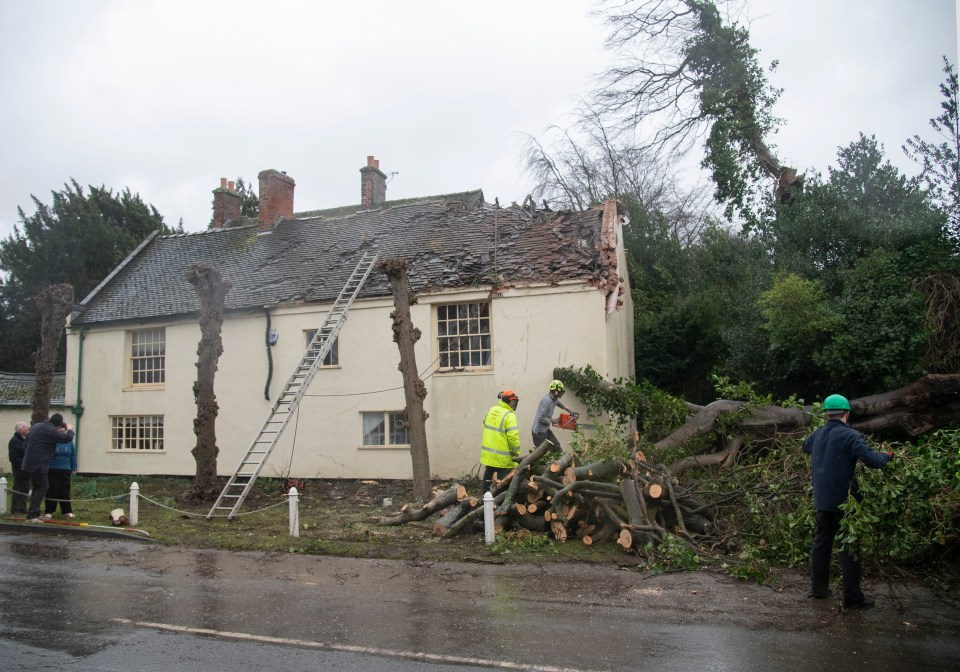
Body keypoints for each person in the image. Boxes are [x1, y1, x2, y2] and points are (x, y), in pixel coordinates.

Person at [803, 393, 892, 609]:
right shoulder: (850, 436)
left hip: (822, 499)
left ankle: (819, 589)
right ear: (847, 413)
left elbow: (805, 447)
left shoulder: (817, 434)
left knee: (822, 542)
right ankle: (852, 597)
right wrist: (888, 456)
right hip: (846, 500)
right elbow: (873, 460)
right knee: (849, 547)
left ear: (826, 414)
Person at [21, 413, 75, 523]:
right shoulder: (50, 429)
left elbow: (26, 442)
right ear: (58, 425)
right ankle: (32, 516)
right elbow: (66, 438)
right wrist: (70, 429)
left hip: (30, 461)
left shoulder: (36, 426)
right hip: (40, 462)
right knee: (43, 486)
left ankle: (34, 513)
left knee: (37, 487)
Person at [480, 390, 520, 493]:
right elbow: (512, 436)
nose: (514, 404)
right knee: (502, 482)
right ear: (509, 401)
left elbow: (484, 427)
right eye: (513, 401)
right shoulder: (510, 415)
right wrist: (516, 452)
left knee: (489, 472)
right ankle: (499, 499)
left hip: (489, 453)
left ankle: (484, 496)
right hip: (502, 455)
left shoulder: (491, 410)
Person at [531, 380, 576, 451]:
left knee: (557, 448)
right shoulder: (547, 401)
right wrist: (553, 420)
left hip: (545, 430)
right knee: (544, 454)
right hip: (539, 433)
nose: (561, 393)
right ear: (556, 391)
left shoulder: (554, 398)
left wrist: (569, 410)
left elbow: (560, 404)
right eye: (560, 391)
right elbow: (541, 418)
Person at [44, 439, 77, 519]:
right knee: (51, 490)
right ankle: (49, 511)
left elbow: (73, 455)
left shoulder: (69, 442)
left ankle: (67, 511)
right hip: (52, 469)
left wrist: (74, 467)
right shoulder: (51, 440)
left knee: (65, 490)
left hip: (65, 469)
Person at [7, 422, 30, 515]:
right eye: (26, 428)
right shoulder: (15, 441)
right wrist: (22, 465)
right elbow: (13, 457)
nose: (28, 429)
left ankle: (23, 508)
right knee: (18, 489)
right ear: (21, 430)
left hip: (26, 469)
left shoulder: (25, 440)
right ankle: (15, 509)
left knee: (25, 489)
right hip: (19, 469)